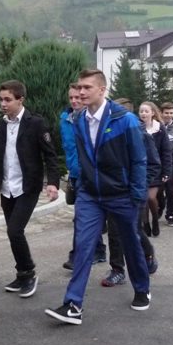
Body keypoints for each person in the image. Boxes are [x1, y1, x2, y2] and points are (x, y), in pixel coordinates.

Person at [46, 69, 151, 325]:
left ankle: (142, 288)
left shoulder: (125, 120)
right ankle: (73, 304)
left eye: (87, 88)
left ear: (102, 90)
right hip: (90, 195)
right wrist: (81, 184)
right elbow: (83, 157)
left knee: (131, 243)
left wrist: (137, 196)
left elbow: (139, 159)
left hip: (121, 195)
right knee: (83, 246)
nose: (81, 92)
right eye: (79, 87)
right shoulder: (78, 120)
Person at [0, 80, 60, 298]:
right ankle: (22, 274)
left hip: (27, 187)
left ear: (20, 100)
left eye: (8, 100)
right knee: (13, 232)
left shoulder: (36, 123)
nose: (3, 104)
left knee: (14, 231)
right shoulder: (0, 125)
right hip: (7, 187)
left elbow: (50, 155)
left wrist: (53, 182)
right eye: (1, 100)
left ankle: (29, 273)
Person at [100, 98, 160, 288]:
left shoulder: (141, 133)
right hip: (114, 190)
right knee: (114, 230)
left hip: (134, 192)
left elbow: (153, 164)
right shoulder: (107, 133)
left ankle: (147, 253)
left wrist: (140, 185)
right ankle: (117, 270)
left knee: (133, 229)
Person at [60, 83, 106, 271]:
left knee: (82, 217)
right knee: (86, 216)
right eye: (71, 98)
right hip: (75, 173)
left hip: (92, 174)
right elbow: (68, 147)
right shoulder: (65, 119)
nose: (74, 101)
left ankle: (77, 256)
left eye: (77, 97)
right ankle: (99, 250)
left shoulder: (91, 119)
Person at [138, 101, 171, 237]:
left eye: (146, 111)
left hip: (156, 169)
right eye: (141, 111)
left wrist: (167, 171)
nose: (143, 113)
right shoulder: (136, 128)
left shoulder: (160, 129)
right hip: (140, 168)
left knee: (151, 198)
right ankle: (145, 223)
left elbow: (166, 151)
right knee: (143, 198)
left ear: (152, 113)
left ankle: (155, 220)